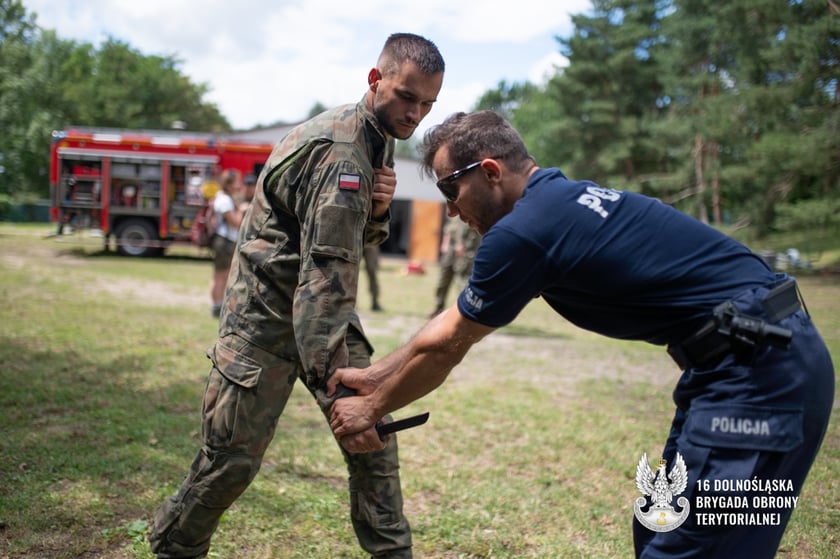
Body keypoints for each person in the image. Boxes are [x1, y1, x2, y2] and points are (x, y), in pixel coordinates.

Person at [327, 111, 835, 559]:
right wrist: (375, 377)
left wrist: (370, 409)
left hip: (761, 371)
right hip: (740, 359)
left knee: (692, 545)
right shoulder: (555, 201)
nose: (451, 209)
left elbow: (451, 342)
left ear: (489, 172)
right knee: (661, 523)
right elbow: (448, 327)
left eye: (449, 189)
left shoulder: (524, 229)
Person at [149, 33, 444, 559]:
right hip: (266, 323)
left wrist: (377, 215)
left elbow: (344, 248)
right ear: (375, 80)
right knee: (230, 462)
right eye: (407, 97)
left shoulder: (378, 134)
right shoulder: (343, 154)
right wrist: (340, 399)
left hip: (321, 319)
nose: (415, 113)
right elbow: (322, 281)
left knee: (375, 443)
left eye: (428, 103)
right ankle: (175, 549)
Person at [429, 215, 480, 316]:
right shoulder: (455, 213)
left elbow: (474, 232)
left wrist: (461, 245)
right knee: (443, 280)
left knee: (462, 282)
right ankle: (439, 307)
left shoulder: (472, 210)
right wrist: (445, 244)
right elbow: (449, 230)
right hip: (451, 250)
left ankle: (465, 311)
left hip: (466, 251)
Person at [209, 169, 244, 318]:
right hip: (224, 242)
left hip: (227, 241)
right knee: (220, 275)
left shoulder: (227, 198)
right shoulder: (224, 200)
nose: (240, 184)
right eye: (237, 181)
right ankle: (217, 306)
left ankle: (220, 304)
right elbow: (235, 223)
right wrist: (242, 211)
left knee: (223, 275)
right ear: (229, 184)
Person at [363, 244, 384, 311]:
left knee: (372, 271)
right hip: (355, 239)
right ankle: (349, 304)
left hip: (371, 239)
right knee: (352, 271)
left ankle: (375, 302)